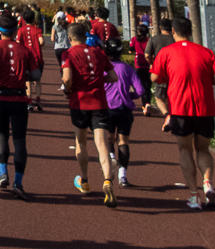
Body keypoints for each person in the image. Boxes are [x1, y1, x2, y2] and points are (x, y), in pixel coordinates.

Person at [150, 18, 215, 209]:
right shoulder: (206, 51)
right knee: (203, 149)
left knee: (185, 150)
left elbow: (154, 76)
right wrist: (207, 83)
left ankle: (194, 196)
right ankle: (207, 183)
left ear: (173, 31)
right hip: (205, 108)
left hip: (180, 108)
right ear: (191, 31)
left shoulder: (166, 52)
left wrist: (169, 78)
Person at [61, 21, 118, 207]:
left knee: (81, 142)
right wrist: (96, 79)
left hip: (79, 102)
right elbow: (113, 77)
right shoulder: (99, 53)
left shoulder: (68, 53)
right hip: (99, 102)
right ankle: (108, 180)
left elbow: (67, 78)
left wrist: (67, 89)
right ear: (86, 36)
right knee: (102, 145)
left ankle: (84, 181)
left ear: (70, 38)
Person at [0, 15, 37, 200]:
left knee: (2, 134)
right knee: (20, 140)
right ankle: (18, 183)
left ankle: (3, 174)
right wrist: (23, 77)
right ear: (15, 31)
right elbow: (36, 74)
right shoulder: (25, 50)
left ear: (0, 30)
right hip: (19, 97)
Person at [103, 38, 143, 187]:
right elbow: (140, 90)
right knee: (123, 142)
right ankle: (123, 176)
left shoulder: (102, 68)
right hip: (125, 109)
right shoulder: (127, 68)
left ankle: (111, 157)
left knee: (108, 138)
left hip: (107, 107)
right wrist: (128, 96)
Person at [146, 18, 176, 128]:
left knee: (159, 97)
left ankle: (168, 115)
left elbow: (147, 55)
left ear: (160, 28)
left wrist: (153, 63)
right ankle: (175, 115)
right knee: (172, 96)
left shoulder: (154, 39)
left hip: (160, 72)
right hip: (176, 72)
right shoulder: (175, 39)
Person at [16, 9, 45, 111]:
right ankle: (38, 100)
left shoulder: (21, 30)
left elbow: (18, 42)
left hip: (26, 59)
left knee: (27, 81)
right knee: (38, 80)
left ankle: (29, 102)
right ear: (34, 19)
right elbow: (42, 41)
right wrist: (37, 45)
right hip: (37, 58)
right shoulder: (37, 30)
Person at [129, 25, 153, 115]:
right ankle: (147, 103)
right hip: (147, 65)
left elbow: (130, 49)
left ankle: (142, 104)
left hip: (138, 65)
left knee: (138, 86)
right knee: (147, 86)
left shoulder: (134, 39)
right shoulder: (149, 40)